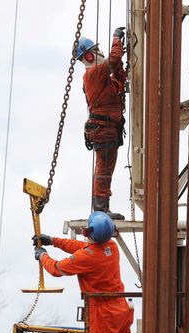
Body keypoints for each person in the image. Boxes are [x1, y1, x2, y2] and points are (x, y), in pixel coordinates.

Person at [75, 31, 128, 220]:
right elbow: (113, 60)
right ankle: (100, 208)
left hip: (108, 127)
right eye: (96, 50)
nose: (100, 52)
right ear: (89, 55)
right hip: (103, 127)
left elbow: (116, 80)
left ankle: (102, 206)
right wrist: (116, 39)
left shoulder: (98, 76)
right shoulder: (94, 72)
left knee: (106, 168)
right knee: (104, 169)